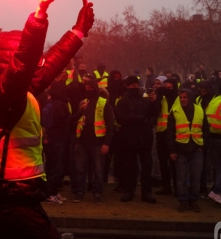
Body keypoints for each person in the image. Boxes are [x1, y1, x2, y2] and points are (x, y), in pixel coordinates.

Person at [0, 0, 95, 239]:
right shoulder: (3, 95)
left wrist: (78, 31)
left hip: (14, 197)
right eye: (30, 58)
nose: (38, 61)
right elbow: (25, 64)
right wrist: (40, 12)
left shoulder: (17, 94)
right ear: (14, 61)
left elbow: (52, 62)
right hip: (15, 199)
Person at [114, 76, 159, 204]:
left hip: (145, 139)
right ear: (127, 86)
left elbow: (154, 114)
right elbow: (120, 119)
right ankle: (129, 190)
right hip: (129, 139)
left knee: (147, 166)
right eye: (132, 85)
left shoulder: (145, 101)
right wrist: (138, 118)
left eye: (136, 84)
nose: (135, 87)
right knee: (130, 167)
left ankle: (146, 192)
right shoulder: (122, 101)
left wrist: (154, 102)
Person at [72, 77, 115, 204]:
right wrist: (76, 141)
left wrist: (106, 143)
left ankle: (97, 193)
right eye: (86, 88)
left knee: (98, 170)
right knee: (80, 169)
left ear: (95, 89)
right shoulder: (83, 103)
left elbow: (110, 125)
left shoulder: (103, 102)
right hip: (83, 142)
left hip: (98, 142)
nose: (88, 90)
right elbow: (76, 122)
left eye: (90, 88)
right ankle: (80, 192)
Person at [167, 89, 206, 212]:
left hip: (196, 148)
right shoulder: (175, 111)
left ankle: (193, 201)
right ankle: (183, 201)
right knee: (181, 179)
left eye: (185, 97)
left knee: (195, 178)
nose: (183, 99)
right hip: (181, 149)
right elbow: (170, 133)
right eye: (181, 97)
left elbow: (206, 130)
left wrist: (202, 147)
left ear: (190, 98)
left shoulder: (200, 110)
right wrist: (172, 150)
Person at [42, 81, 71, 204]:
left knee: (52, 166)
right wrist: (80, 112)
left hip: (52, 139)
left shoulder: (51, 103)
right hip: (58, 140)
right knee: (55, 167)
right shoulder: (60, 105)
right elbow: (66, 121)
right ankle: (50, 193)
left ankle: (53, 192)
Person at [155, 78, 180, 195]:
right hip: (161, 133)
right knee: (163, 161)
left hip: (176, 133)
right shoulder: (161, 97)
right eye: (165, 86)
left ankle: (177, 187)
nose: (167, 88)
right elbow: (155, 111)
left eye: (169, 86)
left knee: (175, 162)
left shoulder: (180, 98)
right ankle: (166, 187)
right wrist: (157, 97)